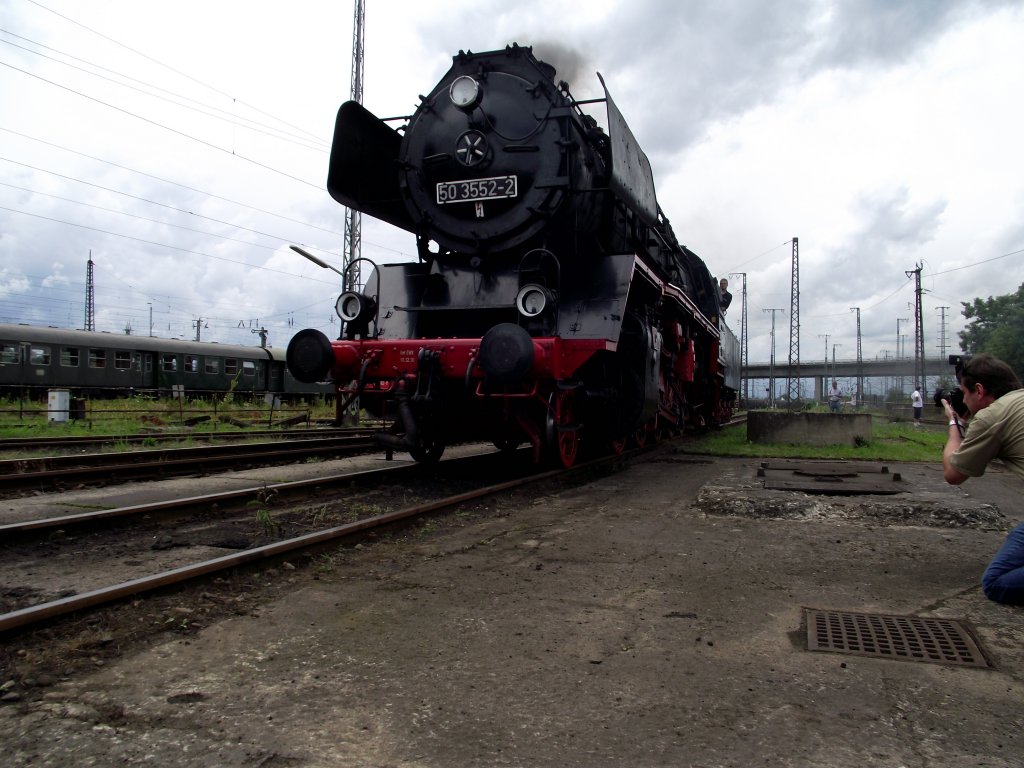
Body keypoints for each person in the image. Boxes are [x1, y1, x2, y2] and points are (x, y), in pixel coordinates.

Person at [941, 353, 1024, 605]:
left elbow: (953, 473)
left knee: (997, 582)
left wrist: (954, 424)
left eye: (964, 393)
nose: (963, 399)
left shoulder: (993, 416)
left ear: (979, 390)